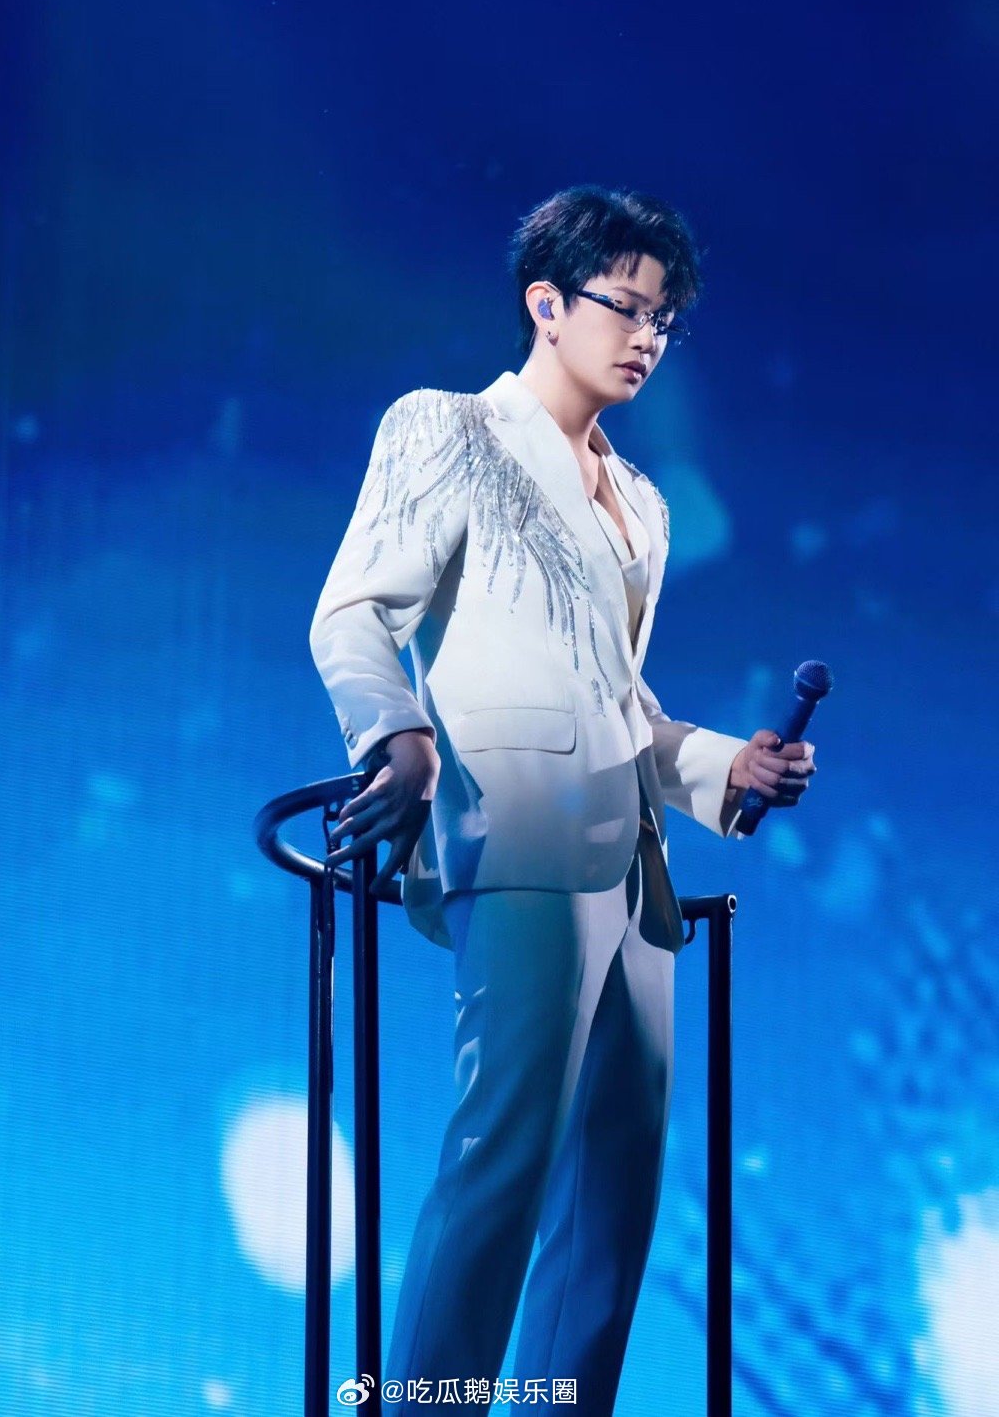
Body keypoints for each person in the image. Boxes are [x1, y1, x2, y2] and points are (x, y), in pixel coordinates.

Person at [309, 185, 817, 1415]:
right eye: (626, 307)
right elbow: (354, 614)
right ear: (547, 303)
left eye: (665, 319)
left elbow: (621, 703)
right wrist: (397, 733)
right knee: (504, 1163)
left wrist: (725, 769)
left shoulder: (640, 502)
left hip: (634, 871)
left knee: (614, 1201)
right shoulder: (448, 429)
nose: (648, 337)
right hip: (520, 829)